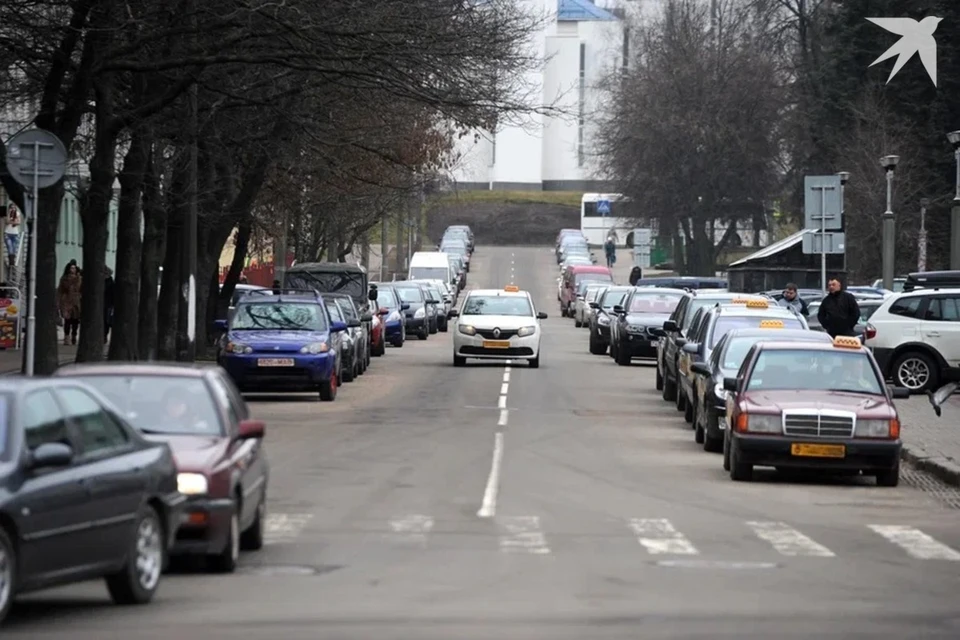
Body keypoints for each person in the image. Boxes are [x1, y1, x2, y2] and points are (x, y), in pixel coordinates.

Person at [57, 262, 82, 345]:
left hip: (76, 302)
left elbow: (81, 289)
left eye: (74, 268)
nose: (73, 270)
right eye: (71, 268)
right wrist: (59, 301)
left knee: (75, 320)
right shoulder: (64, 279)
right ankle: (67, 337)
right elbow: (60, 290)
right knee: (67, 320)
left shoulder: (79, 279)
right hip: (66, 301)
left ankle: (74, 335)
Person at [4, 204, 20, 270]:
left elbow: (18, 222)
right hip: (8, 233)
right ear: (9, 208)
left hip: (15, 234)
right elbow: (7, 222)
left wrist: (13, 221)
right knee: (10, 248)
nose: (13, 209)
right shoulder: (7, 214)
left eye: (14, 207)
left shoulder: (17, 213)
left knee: (13, 249)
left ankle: (11, 265)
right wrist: (10, 214)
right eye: (11, 208)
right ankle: (11, 265)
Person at [104, 266, 115, 342]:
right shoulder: (110, 282)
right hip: (106, 304)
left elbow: (113, 295)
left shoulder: (110, 283)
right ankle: (103, 335)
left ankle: (104, 335)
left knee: (106, 321)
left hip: (107, 305)